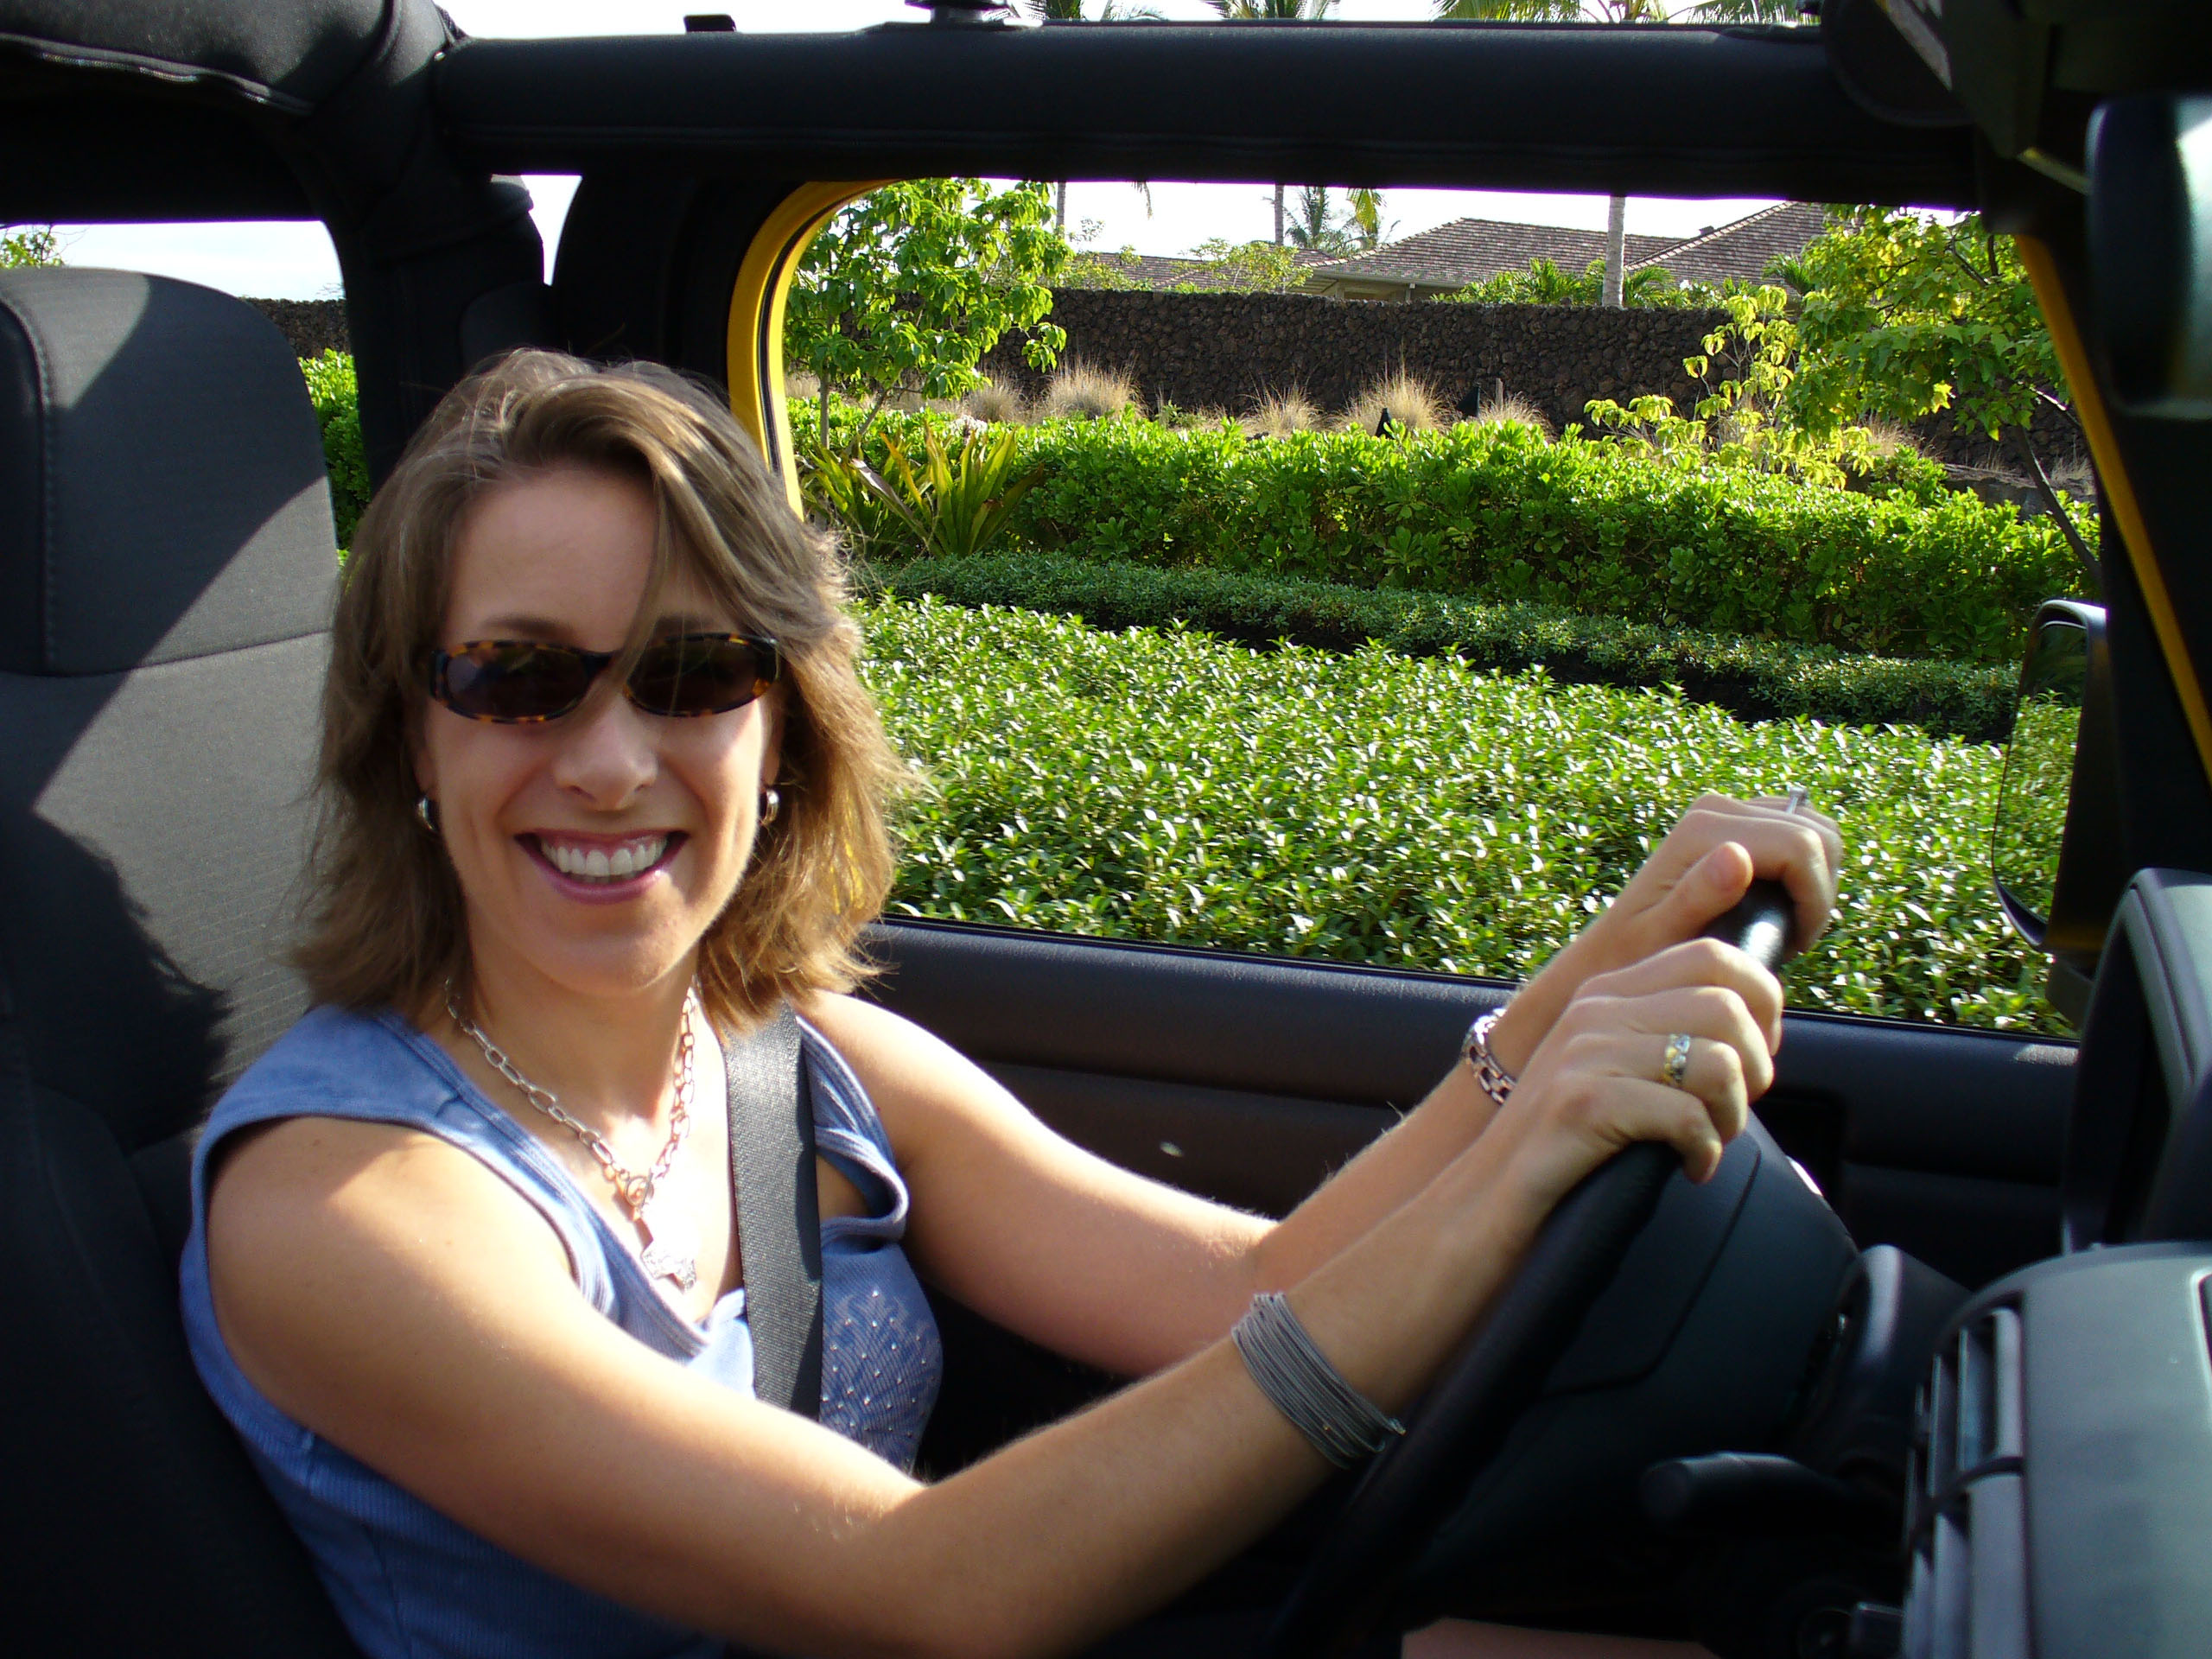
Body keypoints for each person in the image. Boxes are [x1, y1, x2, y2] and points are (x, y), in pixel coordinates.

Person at [182, 351, 1843, 1659]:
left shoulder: (795, 1057)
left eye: (693, 674)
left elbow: (1242, 1292)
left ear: (780, 731)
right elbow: (927, 1586)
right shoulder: (342, 1209)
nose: (612, 762)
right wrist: (1517, 1170)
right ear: (414, 735)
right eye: (521, 679)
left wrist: (1574, 998)